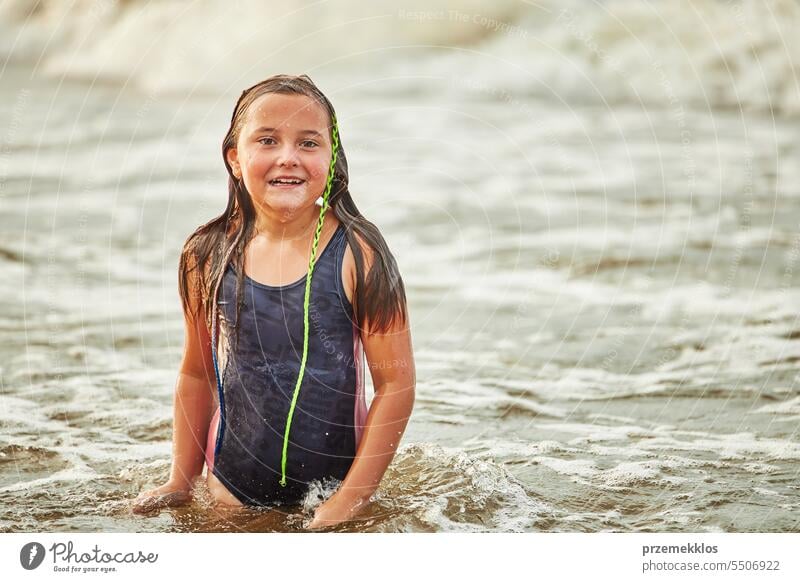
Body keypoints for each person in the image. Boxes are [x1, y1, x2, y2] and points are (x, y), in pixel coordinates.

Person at [132, 74, 415, 529]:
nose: (289, 157)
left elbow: (396, 385)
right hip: (230, 493)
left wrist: (347, 503)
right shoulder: (205, 255)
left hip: (331, 493)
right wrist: (180, 482)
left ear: (332, 159)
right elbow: (197, 372)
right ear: (235, 158)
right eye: (267, 140)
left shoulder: (360, 255)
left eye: (308, 143)